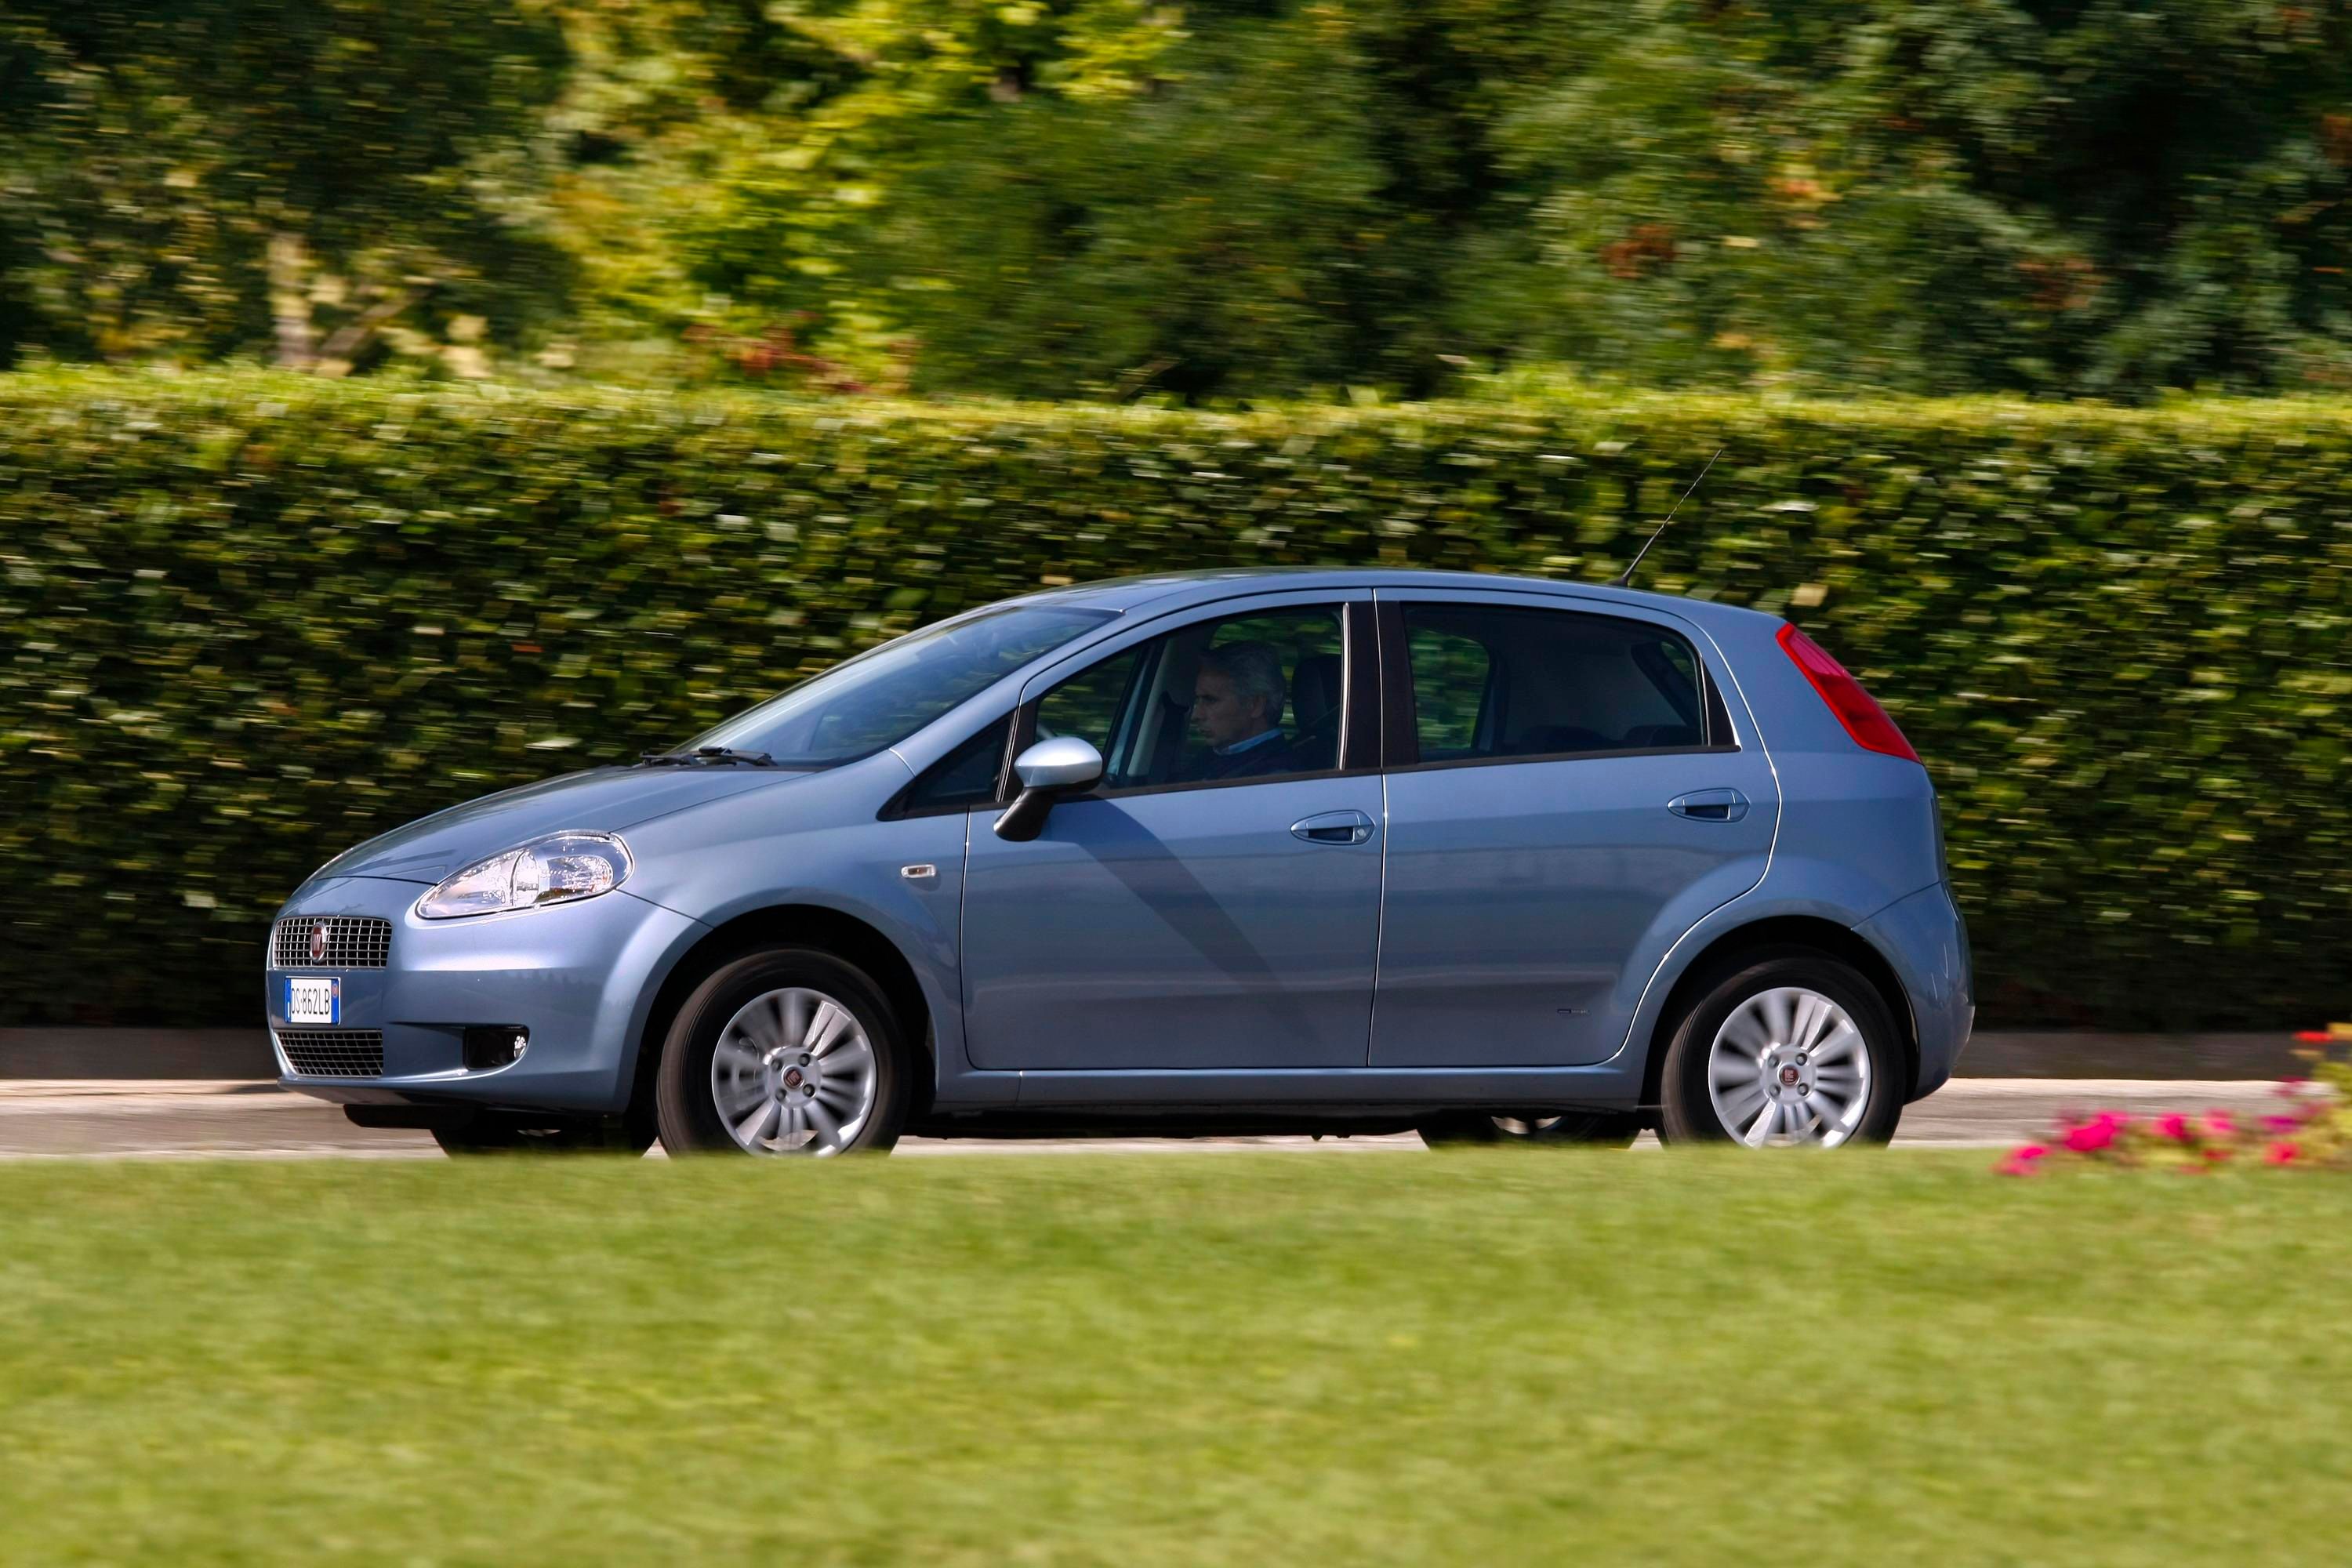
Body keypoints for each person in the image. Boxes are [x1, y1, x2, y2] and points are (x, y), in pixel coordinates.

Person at [1179, 641, 1294, 782]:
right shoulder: (1215, 755)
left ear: (1255, 705)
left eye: (1210, 700)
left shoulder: (1275, 778)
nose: (1197, 715)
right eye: (1198, 700)